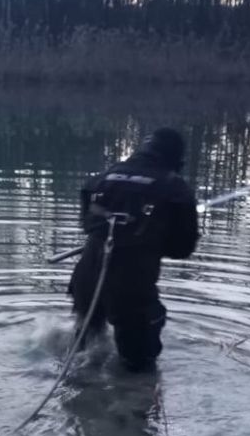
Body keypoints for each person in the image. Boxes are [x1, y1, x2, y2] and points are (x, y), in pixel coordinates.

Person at [68, 128, 200, 372]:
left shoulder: (102, 178)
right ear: (176, 158)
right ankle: (133, 405)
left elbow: (88, 224)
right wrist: (156, 239)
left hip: (87, 277)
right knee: (138, 368)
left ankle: (74, 398)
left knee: (83, 353)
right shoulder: (175, 188)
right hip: (131, 285)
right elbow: (182, 248)